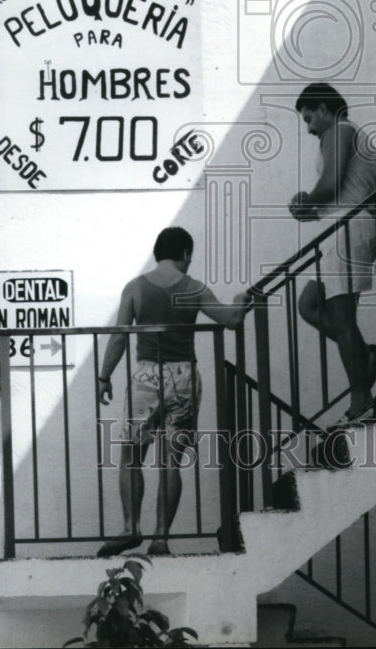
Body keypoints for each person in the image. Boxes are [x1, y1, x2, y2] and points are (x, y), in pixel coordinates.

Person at [96, 226, 251, 557]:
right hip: (183, 377)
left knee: (131, 456)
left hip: (147, 377)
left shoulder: (135, 288)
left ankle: (130, 527)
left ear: (156, 253)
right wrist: (241, 301)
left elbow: (120, 336)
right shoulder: (193, 288)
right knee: (171, 461)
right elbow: (232, 320)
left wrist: (104, 377)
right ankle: (161, 537)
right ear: (185, 253)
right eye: (189, 254)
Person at [289, 83, 376, 421]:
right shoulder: (345, 133)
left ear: (325, 109)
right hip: (344, 226)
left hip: (348, 227)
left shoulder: (339, 129)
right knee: (308, 305)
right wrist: (310, 210)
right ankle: (365, 359)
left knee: (342, 319)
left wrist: (305, 199)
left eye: (310, 118)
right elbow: (338, 193)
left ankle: (362, 400)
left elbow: (329, 184)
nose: (310, 128)